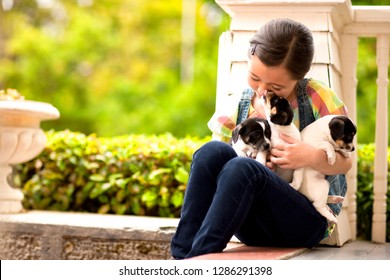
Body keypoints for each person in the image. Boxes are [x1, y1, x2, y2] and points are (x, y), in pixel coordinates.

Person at [170, 18, 351, 260]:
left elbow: (346, 162)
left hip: (303, 220)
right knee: (211, 152)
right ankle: (181, 256)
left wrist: (310, 156)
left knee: (243, 167)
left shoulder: (316, 96)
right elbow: (217, 169)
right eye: (255, 77)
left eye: (276, 86)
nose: (262, 90)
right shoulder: (240, 103)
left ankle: (200, 261)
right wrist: (254, 163)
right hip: (248, 221)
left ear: (299, 76)